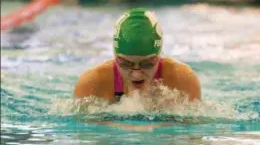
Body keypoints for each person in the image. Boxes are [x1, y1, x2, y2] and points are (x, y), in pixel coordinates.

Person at [73, 8, 201, 103]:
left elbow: (193, 136)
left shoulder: (183, 82)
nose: (136, 74)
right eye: (125, 64)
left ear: (159, 55)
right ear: (115, 57)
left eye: (147, 64)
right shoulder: (92, 85)